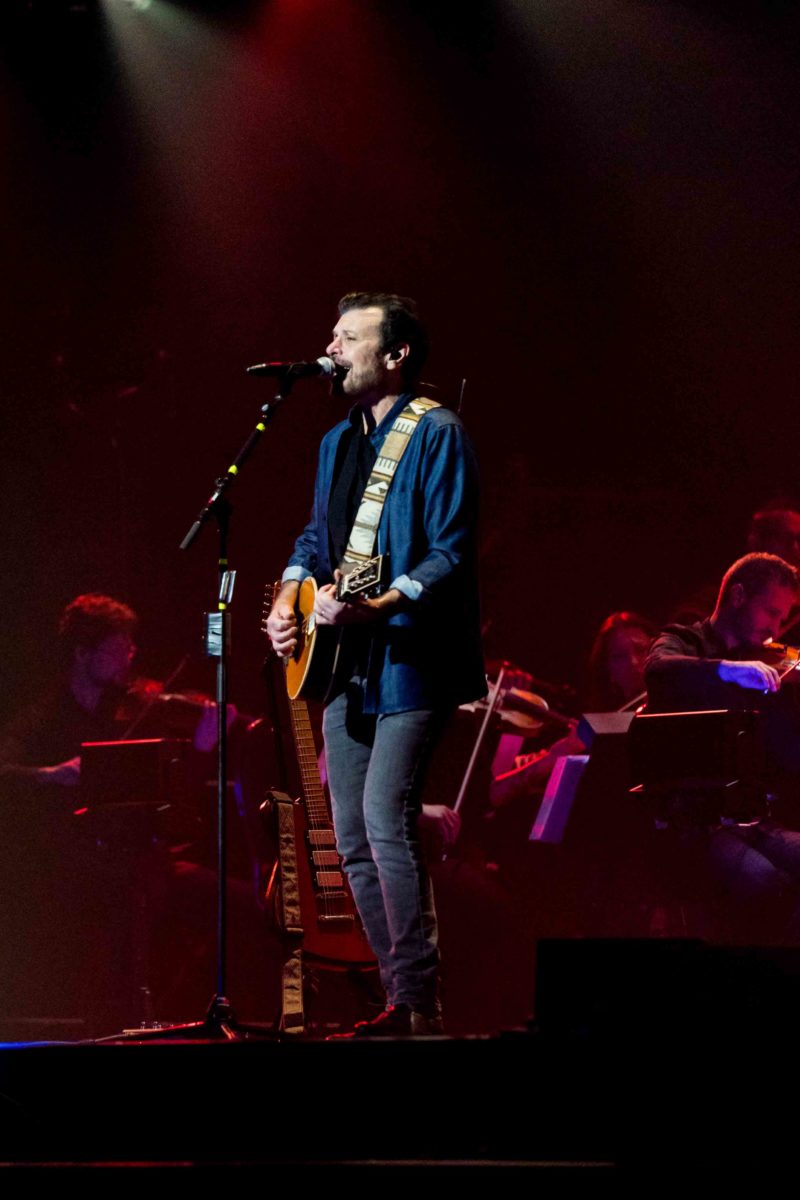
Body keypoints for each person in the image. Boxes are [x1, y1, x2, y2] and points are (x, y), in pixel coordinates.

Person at [265, 292, 485, 1035]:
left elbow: (450, 552)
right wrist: (288, 595)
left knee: (386, 819)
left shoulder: (437, 432)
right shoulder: (336, 442)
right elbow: (315, 538)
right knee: (349, 836)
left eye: (348, 337)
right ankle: (396, 999)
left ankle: (420, 1003)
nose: (331, 348)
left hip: (414, 658)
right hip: (344, 660)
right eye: (331, 335)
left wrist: (379, 605)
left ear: (396, 355)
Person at [645, 552, 800, 943]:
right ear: (738, 595)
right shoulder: (684, 640)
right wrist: (727, 670)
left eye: (782, 618)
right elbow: (658, 668)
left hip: (752, 819)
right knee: (767, 881)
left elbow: (787, 754)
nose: (776, 629)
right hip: (693, 825)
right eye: (771, 612)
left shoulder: (769, 662)